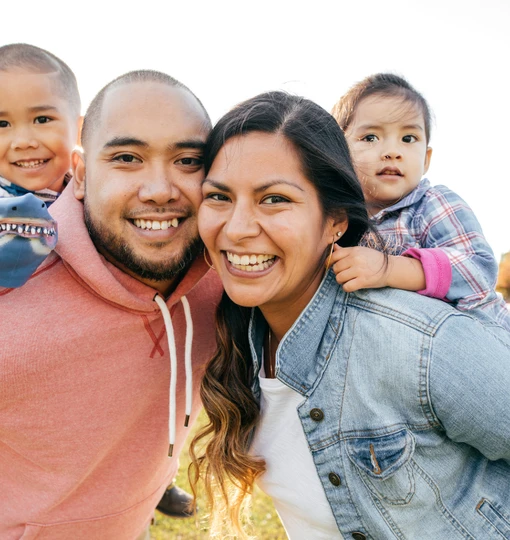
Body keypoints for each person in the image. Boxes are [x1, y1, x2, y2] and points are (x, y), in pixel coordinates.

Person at [189, 91, 510, 539]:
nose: (239, 227)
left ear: (336, 220)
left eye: (275, 199)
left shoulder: (420, 344)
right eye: (220, 197)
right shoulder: (241, 337)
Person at [0, 70, 222, 539]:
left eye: (187, 160)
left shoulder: (229, 280)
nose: (160, 189)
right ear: (80, 174)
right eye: (127, 157)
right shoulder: (13, 279)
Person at [329, 73, 510, 331]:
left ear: (426, 159)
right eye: (370, 137)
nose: (393, 151)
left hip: (487, 342)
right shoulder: (338, 221)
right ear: (338, 154)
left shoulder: (432, 204)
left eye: (408, 138)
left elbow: (477, 271)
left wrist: (388, 269)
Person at [0, 43, 81, 287]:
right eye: (2, 124)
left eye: (42, 119)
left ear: (79, 130)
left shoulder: (94, 198)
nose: (23, 142)